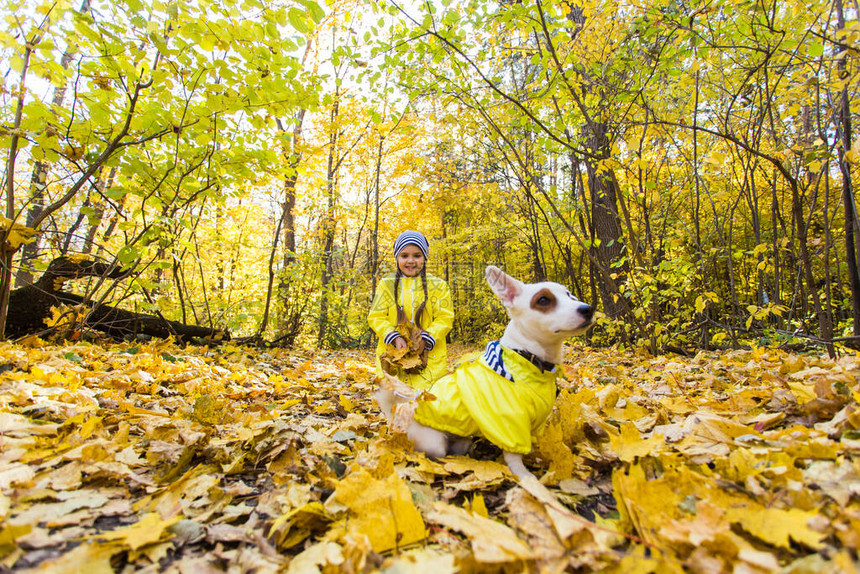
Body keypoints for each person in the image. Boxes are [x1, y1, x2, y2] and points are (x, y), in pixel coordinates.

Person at [368, 230, 454, 389]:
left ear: (425, 258)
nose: (411, 261)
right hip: (394, 360)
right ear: (397, 258)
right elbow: (376, 317)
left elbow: (445, 318)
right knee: (394, 404)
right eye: (404, 255)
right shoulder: (387, 284)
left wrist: (427, 338)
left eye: (417, 255)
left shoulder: (438, 286)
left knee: (426, 402)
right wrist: (392, 336)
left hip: (430, 362)